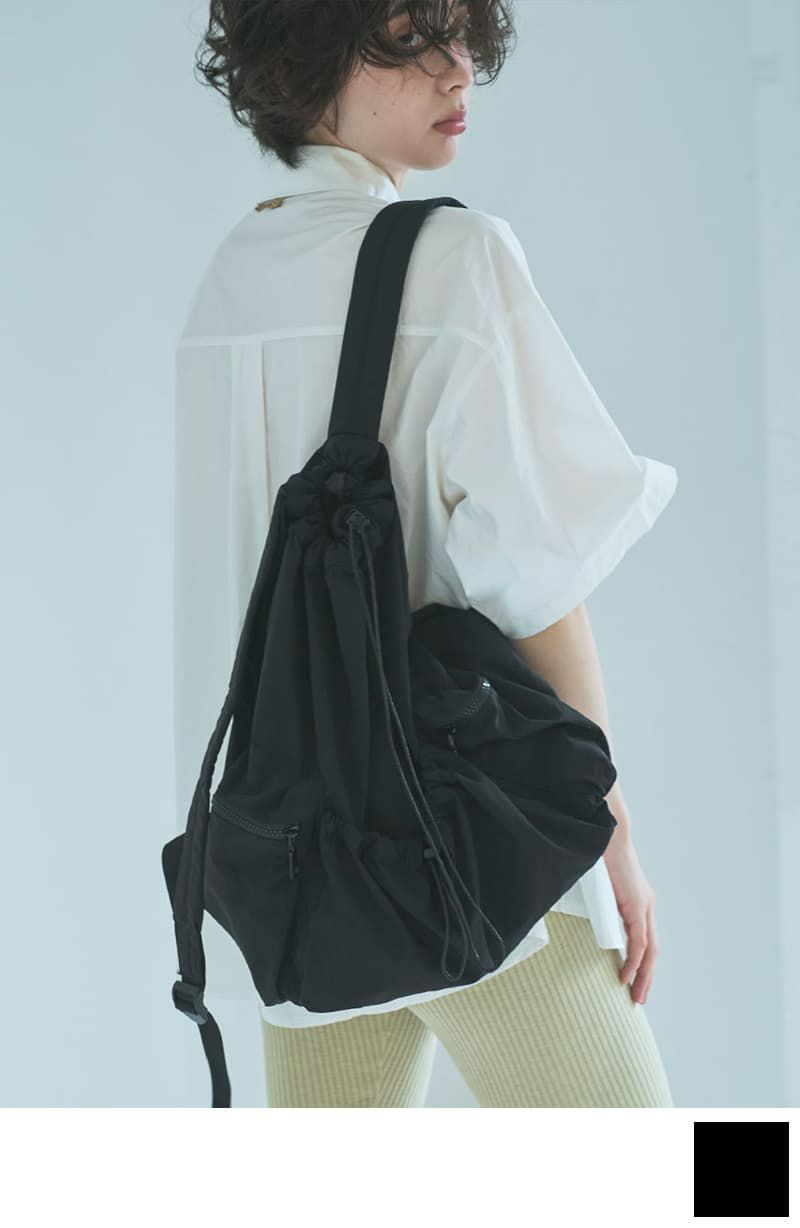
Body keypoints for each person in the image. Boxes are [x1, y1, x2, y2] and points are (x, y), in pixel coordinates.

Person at [174, 0, 678, 1107]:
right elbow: (534, 574)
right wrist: (606, 823)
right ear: (304, 64)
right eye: (408, 41)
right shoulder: (454, 258)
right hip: (454, 831)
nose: (458, 70)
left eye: (463, 37)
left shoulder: (232, 273)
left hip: (282, 854)